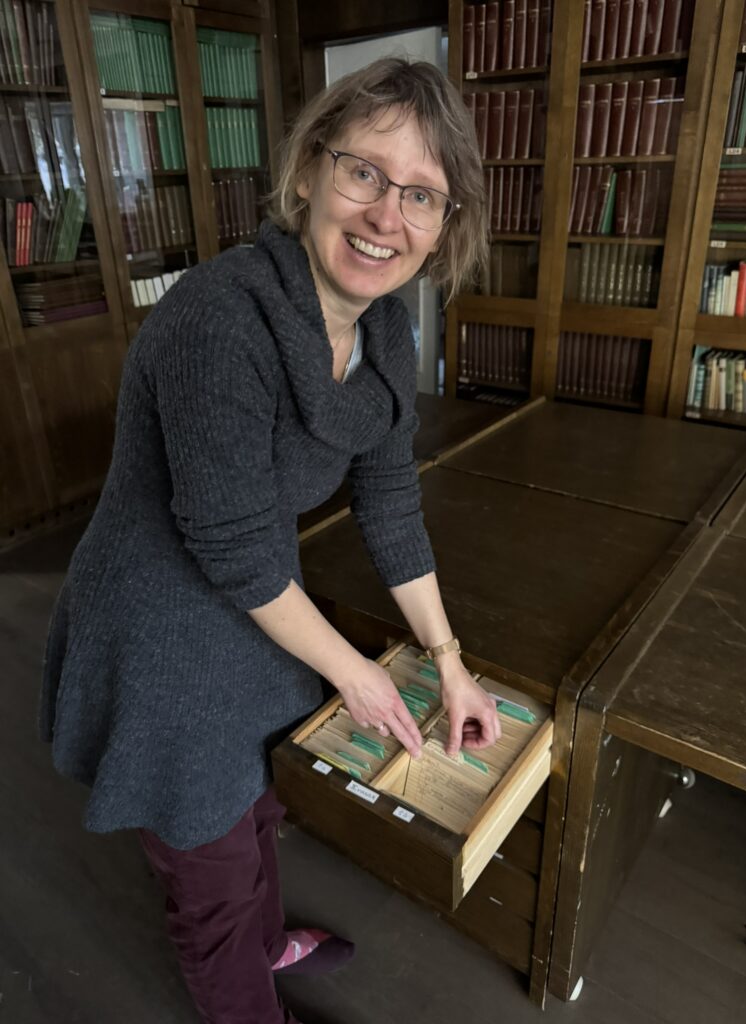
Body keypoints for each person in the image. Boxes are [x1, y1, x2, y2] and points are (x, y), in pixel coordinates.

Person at [41, 57, 499, 1024]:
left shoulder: (385, 333)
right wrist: (362, 679)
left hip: (258, 608)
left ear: (443, 227)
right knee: (205, 858)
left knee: (258, 805)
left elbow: (388, 503)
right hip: (160, 623)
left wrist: (448, 663)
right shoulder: (220, 317)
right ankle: (242, 980)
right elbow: (237, 548)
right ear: (305, 175)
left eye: (422, 195)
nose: (388, 216)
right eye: (364, 173)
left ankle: (263, 939)